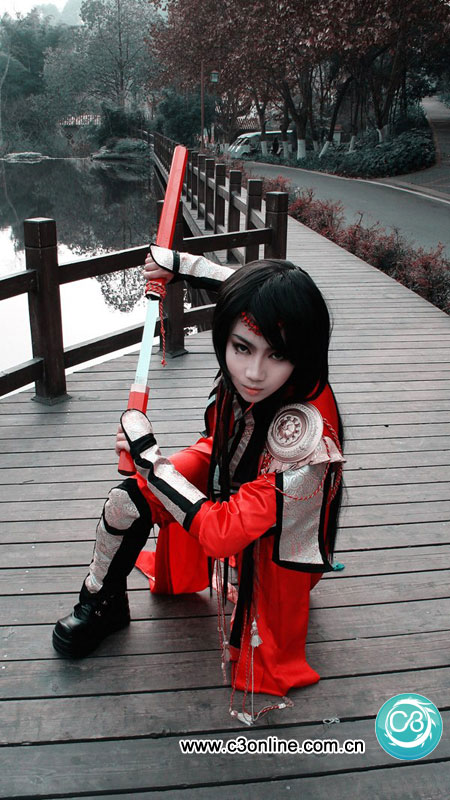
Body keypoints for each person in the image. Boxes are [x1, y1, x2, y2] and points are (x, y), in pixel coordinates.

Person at [52, 246, 344, 723]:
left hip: (280, 542)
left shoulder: (306, 438)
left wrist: (150, 458)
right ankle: (101, 602)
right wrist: (179, 265)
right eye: (241, 347)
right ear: (226, 334)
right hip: (227, 452)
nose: (253, 373)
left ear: (303, 352)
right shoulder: (257, 333)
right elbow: (236, 285)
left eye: (278, 355)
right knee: (127, 501)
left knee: (157, 481)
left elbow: (223, 533)